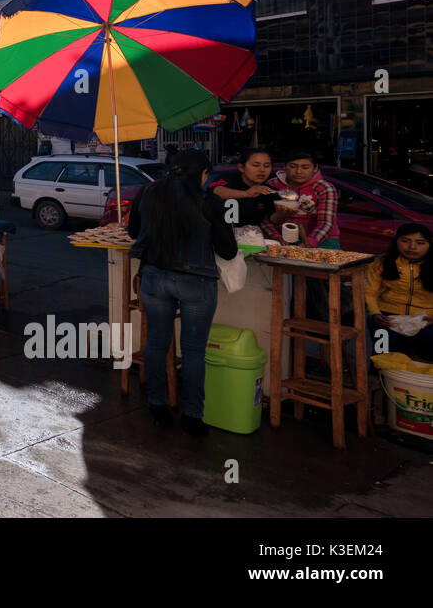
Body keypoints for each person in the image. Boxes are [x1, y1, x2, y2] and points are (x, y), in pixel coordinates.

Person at [127, 149, 237, 437]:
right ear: (202, 173)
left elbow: (132, 232)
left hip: (154, 278)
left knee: (156, 345)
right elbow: (228, 250)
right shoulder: (208, 201)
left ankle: (157, 407)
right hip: (196, 282)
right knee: (193, 351)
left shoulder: (148, 192)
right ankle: (192, 416)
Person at [364, 223, 433, 363]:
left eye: (420, 243)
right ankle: (379, 376)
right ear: (396, 242)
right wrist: (375, 314)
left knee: (427, 345)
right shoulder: (382, 262)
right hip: (387, 317)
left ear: (429, 245)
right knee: (382, 341)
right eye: (405, 241)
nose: (412, 247)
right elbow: (369, 292)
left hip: (426, 319)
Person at [261, 151, 339, 249]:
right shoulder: (272, 185)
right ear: (284, 167)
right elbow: (263, 217)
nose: (298, 171)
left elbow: (326, 223)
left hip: (322, 240)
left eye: (305, 167)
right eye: (293, 166)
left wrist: (309, 243)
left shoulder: (324, 187)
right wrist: (275, 236)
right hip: (281, 240)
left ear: (315, 168)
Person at [206, 148, 278, 227]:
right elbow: (215, 191)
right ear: (241, 167)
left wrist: (284, 212)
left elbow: (273, 218)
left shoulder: (268, 191)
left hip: (251, 236)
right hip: (221, 233)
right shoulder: (227, 179)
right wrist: (246, 193)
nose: (262, 170)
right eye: (256, 165)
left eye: (267, 166)